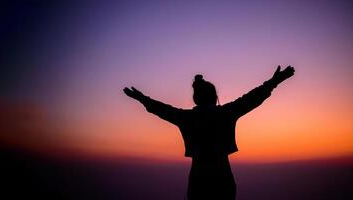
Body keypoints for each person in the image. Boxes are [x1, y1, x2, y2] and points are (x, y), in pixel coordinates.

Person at [123, 65, 295, 200]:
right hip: (223, 177)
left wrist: (142, 99)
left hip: (198, 179)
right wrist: (274, 81)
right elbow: (253, 98)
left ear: (196, 98)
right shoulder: (225, 113)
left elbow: (161, 109)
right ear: (214, 97)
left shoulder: (187, 118)